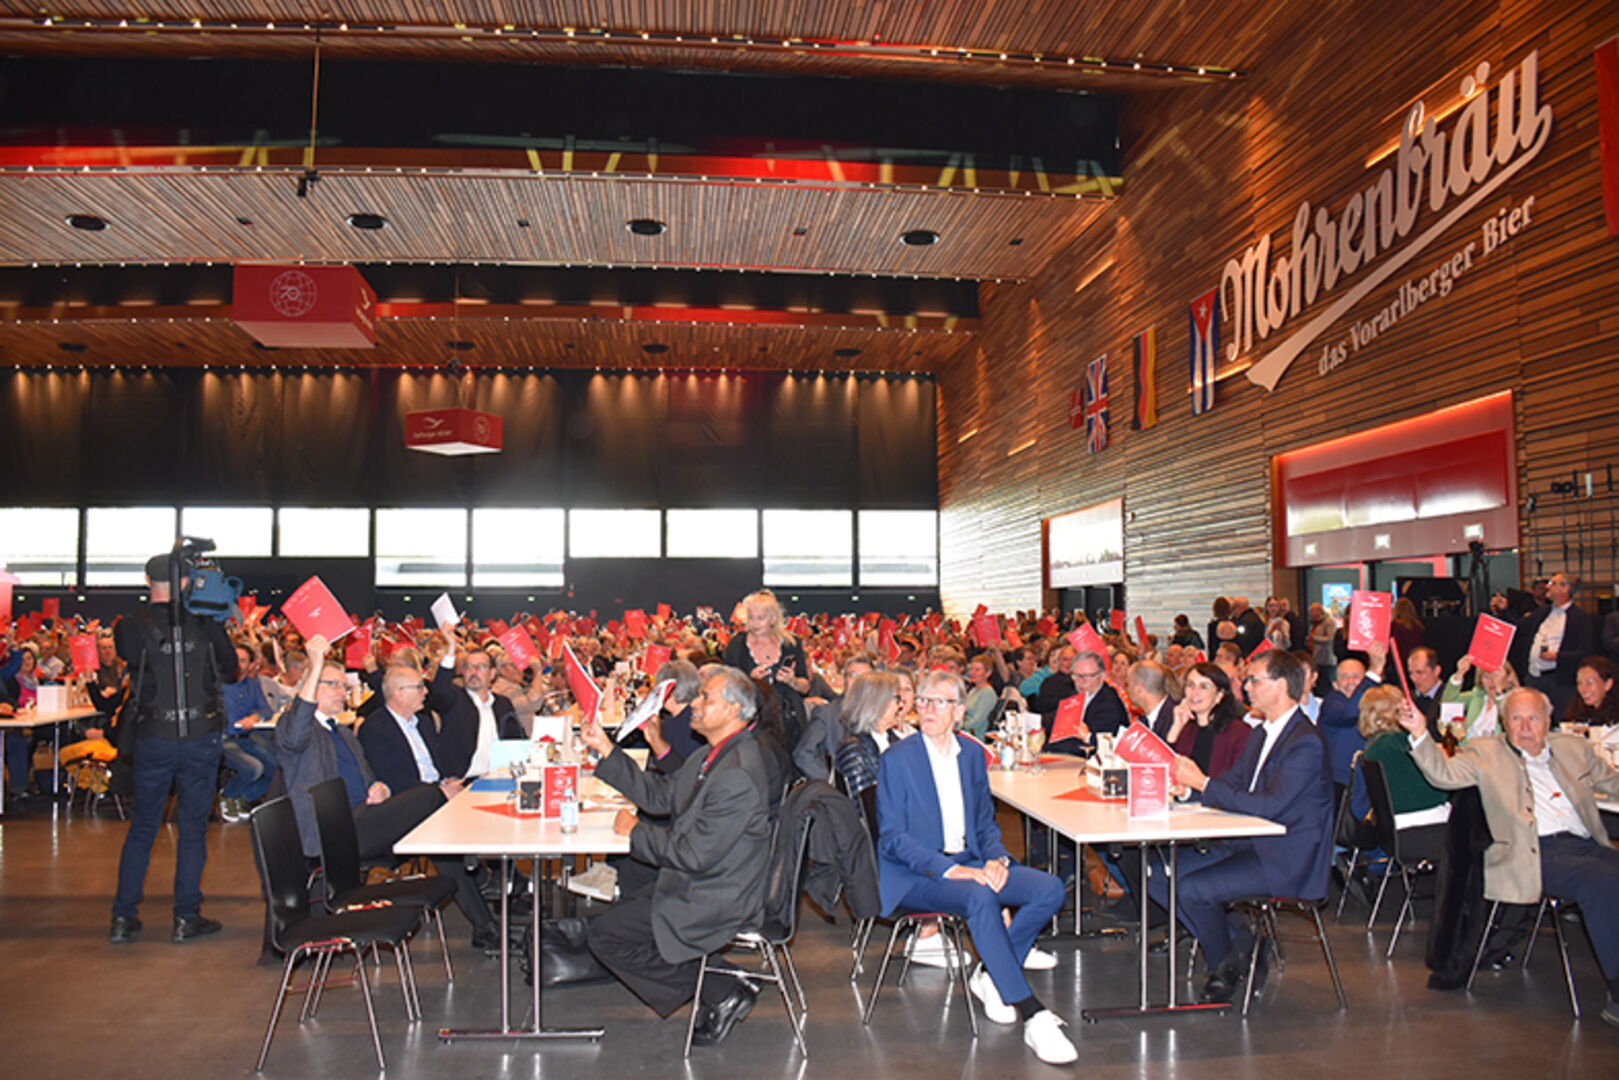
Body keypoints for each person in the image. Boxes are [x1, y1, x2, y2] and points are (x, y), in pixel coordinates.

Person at [874, 670, 1076, 1064]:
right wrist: (954, 871)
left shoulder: (970, 755)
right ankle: (1031, 1012)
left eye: (939, 702)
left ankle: (991, 973)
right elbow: (893, 838)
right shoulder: (898, 759)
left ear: (959, 712)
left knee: (1048, 889)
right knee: (981, 895)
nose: (928, 709)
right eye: (923, 700)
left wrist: (996, 859)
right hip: (915, 875)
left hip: (971, 861)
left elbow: (985, 822)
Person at [1398, 687, 1619, 1027]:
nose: (1525, 727)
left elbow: (1611, 782)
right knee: (1603, 882)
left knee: (1604, 871)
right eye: (1516, 718)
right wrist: (1418, 733)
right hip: (1533, 852)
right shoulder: (1485, 753)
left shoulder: (1574, 748)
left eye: (1533, 718)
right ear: (1505, 722)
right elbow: (1443, 773)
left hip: (1585, 844)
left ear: (1548, 721)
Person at [581, 666, 775, 1047]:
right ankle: (720, 981)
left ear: (734, 710)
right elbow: (659, 797)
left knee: (607, 937)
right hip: (702, 878)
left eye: (706, 698)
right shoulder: (713, 754)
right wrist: (607, 750)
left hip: (716, 892)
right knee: (616, 921)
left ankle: (721, 988)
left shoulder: (736, 772)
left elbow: (694, 854)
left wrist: (635, 833)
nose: (694, 706)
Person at [274, 635, 501, 953]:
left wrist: (377, 788)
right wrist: (313, 666)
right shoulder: (298, 731)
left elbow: (372, 777)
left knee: (439, 842)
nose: (344, 692)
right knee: (428, 798)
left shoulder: (343, 732)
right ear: (312, 688)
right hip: (334, 833)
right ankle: (474, 862)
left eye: (344, 685)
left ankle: (487, 929)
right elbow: (297, 725)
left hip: (365, 818)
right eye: (335, 685)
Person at [1152, 649, 1335, 1004]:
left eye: (1254, 680)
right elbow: (1231, 784)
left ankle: (1225, 965)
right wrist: (1189, 791)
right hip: (1248, 841)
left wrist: (1203, 785)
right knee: (1160, 876)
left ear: (1280, 686)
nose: (1245, 686)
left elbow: (1270, 804)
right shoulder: (1262, 733)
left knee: (1191, 889)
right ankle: (1237, 941)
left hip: (1282, 857)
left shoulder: (1305, 742)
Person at [109, 551, 239, 945]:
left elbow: (128, 655)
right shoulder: (206, 624)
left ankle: (122, 917)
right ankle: (186, 916)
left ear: (149, 582)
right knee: (193, 829)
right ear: (186, 583)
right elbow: (231, 666)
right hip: (199, 736)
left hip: (153, 736)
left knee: (142, 827)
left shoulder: (130, 627)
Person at [1357, 684, 1449, 864]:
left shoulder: (1371, 749)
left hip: (1392, 833)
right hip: (1423, 831)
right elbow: (1440, 786)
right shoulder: (1405, 744)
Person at [724, 589, 812, 755]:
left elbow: (805, 687)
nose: (755, 623)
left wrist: (792, 681)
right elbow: (726, 687)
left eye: (760, 618)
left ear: (772, 618)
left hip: (789, 722)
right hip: (752, 722)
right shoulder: (736, 645)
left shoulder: (790, 643)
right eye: (750, 617)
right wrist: (749, 681)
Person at [426, 630, 522, 778]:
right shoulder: (455, 699)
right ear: (463, 672)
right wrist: (450, 650)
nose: (474, 672)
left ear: (492, 674)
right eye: (469, 667)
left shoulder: (503, 704)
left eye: (481, 667)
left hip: (501, 777)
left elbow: (517, 741)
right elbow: (439, 693)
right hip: (464, 781)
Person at [1521, 571, 1594, 719]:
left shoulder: (1580, 617)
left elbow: (1587, 651)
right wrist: (1503, 611)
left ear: (1565, 588)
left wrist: (1558, 657)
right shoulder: (1543, 612)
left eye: (1553, 583)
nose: (1548, 586)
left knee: (1559, 721)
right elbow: (1520, 627)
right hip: (1533, 677)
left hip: (1558, 681)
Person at [219, 643, 277, 823]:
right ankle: (228, 794)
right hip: (222, 740)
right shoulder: (216, 683)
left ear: (251, 665)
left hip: (246, 739)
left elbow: (267, 710)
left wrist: (255, 716)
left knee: (277, 769)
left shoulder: (252, 684)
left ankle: (242, 796)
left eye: (242, 661)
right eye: (234, 660)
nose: (237, 664)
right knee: (254, 767)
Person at [1164, 662, 1250, 780]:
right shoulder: (1186, 728)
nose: (1194, 692)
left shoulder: (1239, 733)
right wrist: (1176, 727)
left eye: (1204, 687)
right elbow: (1164, 770)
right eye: (1190, 685)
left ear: (1219, 695)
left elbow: (1237, 783)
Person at [832, 671, 904, 806]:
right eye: (897, 699)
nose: (900, 706)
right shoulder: (853, 751)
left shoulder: (893, 741)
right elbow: (865, 810)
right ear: (876, 704)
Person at [1441, 655, 1520, 740]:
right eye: (1486, 676)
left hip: (1496, 752)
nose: (1492, 681)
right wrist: (1460, 673)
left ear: (1510, 677)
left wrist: (1499, 690)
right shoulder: (1477, 695)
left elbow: (1508, 718)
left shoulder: (1517, 700)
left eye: (1496, 675)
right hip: (1468, 750)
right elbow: (1449, 702)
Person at [1126, 659, 1177, 740]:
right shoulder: (1144, 721)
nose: (1127, 689)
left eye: (1128, 684)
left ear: (1140, 689)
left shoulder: (1176, 718)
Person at [1567, 656, 1619, 728]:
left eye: (1589, 682)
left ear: (1608, 684)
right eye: (1579, 683)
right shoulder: (1579, 717)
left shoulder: (1615, 723)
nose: (1583, 689)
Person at [963, 654, 998, 739]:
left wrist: (955, 724)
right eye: (971, 669)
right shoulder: (973, 691)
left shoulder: (987, 693)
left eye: (977, 670)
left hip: (976, 736)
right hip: (965, 731)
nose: (972, 673)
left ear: (988, 673)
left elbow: (976, 723)